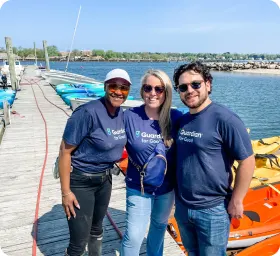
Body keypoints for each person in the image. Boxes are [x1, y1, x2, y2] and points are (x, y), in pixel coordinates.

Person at [173, 61, 255, 256]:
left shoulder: (225, 119)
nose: (189, 90)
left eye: (195, 84)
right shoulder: (183, 121)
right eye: (183, 87)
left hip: (213, 210)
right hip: (183, 207)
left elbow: (247, 160)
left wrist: (237, 200)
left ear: (208, 84)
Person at [59, 69, 132, 256]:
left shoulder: (121, 115)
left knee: (97, 229)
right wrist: (66, 192)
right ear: (105, 87)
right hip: (81, 181)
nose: (118, 91)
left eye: (123, 88)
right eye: (114, 86)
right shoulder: (87, 112)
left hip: (105, 180)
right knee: (78, 241)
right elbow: (65, 153)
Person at [120, 70, 183, 256]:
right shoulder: (130, 116)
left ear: (167, 92)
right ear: (142, 91)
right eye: (148, 88)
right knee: (134, 236)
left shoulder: (176, 118)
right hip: (138, 187)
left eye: (159, 88)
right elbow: (109, 140)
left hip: (167, 189)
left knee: (158, 228)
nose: (153, 93)